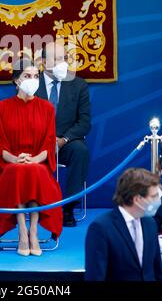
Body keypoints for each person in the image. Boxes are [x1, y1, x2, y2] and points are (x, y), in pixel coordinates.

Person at [0, 59, 62, 256]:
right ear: (16, 81)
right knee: (19, 171)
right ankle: (22, 231)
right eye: (27, 76)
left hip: (39, 164)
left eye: (36, 76)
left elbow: (49, 142)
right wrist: (15, 158)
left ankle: (34, 231)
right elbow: (0, 142)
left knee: (34, 171)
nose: (33, 80)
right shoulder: (2, 107)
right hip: (11, 164)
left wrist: (35, 159)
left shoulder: (47, 108)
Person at [36, 41, 91, 227]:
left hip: (66, 142)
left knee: (80, 151)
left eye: (64, 58)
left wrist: (63, 139)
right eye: (57, 59)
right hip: (36, 142)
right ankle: (36, 206)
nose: (62, 63)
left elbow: (84, 122)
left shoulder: (78, 85)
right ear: (43, 61)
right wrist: (47, 140)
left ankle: (67, 208)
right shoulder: (31, 83)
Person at [85, 167, 162, 281]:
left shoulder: (150, 223)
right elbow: (95, 277)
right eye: (154, 196)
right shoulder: (101, 228)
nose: (159, 200)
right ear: (137, 199)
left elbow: (157, 271)